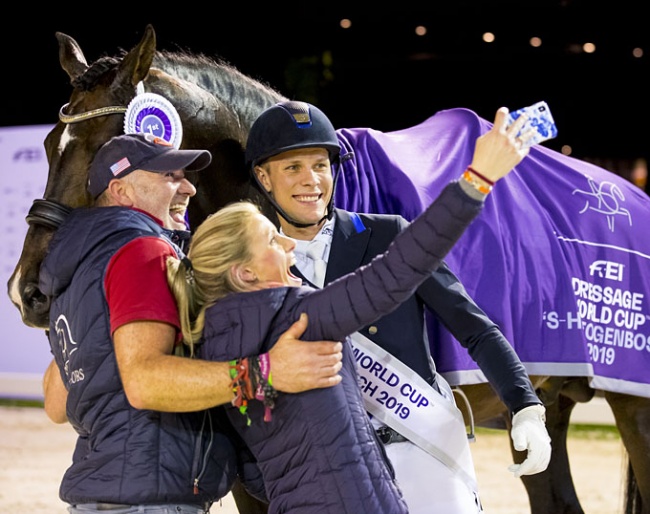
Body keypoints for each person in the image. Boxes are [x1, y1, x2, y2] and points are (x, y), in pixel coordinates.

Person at [165, 106, 532, 514]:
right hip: (347, 474)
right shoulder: (269, 284)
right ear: (263, 178)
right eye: (293, 168)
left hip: (422, 447)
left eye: (321, 164)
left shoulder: (386, 233)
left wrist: (525, 404)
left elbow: (474, 327)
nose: (311, 180)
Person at [39, 132, 344, 514]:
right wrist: (265, 373)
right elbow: (145, 381)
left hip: (100, 497)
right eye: (169, 177)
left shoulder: (77, 274)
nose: (188, 188)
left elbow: (55, 403)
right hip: (151, 503)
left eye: (185, 175)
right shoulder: (146, 250)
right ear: (121, 190)